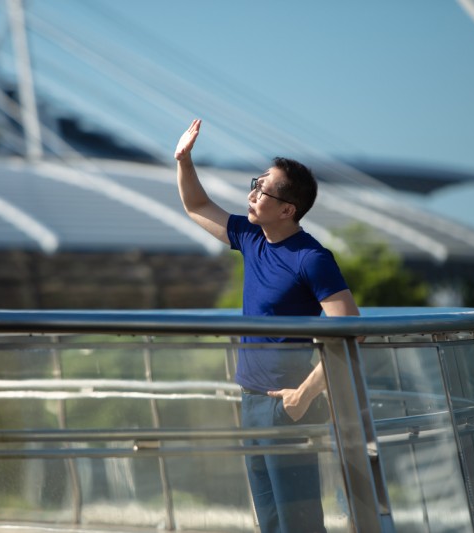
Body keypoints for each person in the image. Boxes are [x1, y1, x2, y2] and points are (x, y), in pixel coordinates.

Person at [174, 119, 360, 533]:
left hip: (286, 405)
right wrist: (184, 161)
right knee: (271, 522)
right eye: (255, 184)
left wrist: (303, 396)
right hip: (251, 399)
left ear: (287, 210)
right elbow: (197, 206)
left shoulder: (311, 258)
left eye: (262, 189)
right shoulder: (252, 238)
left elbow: (351, 329)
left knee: (299, 523)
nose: (252, 194)